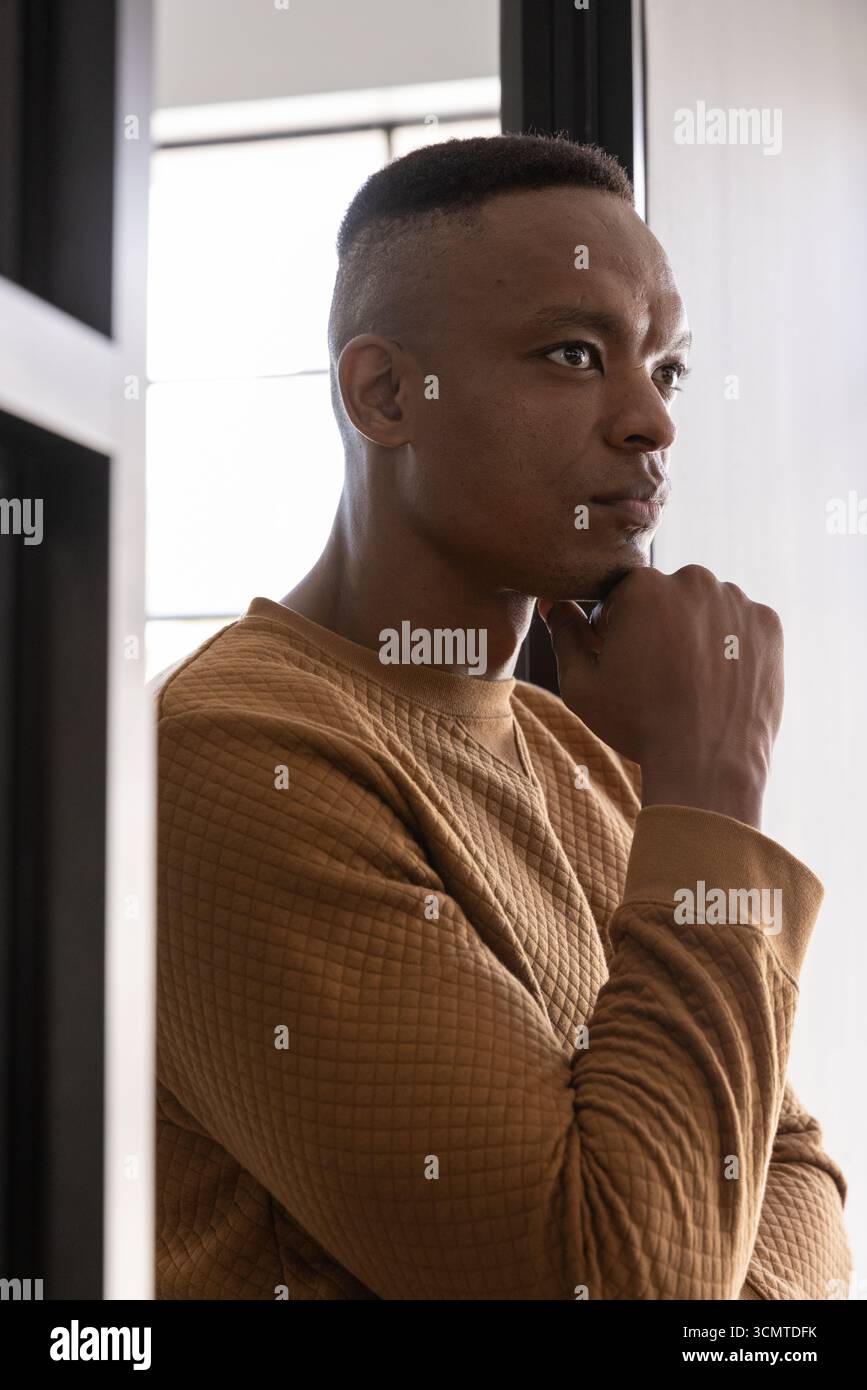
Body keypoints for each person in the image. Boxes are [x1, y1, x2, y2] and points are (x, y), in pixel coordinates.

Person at [155, 134, 850, 1299]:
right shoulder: (240, 753)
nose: (651, 422)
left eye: (666, 368)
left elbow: (790, 1164)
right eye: (576, 354)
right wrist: (711, 786)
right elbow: (614, 1283)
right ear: (384, 393)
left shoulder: (570, 746)